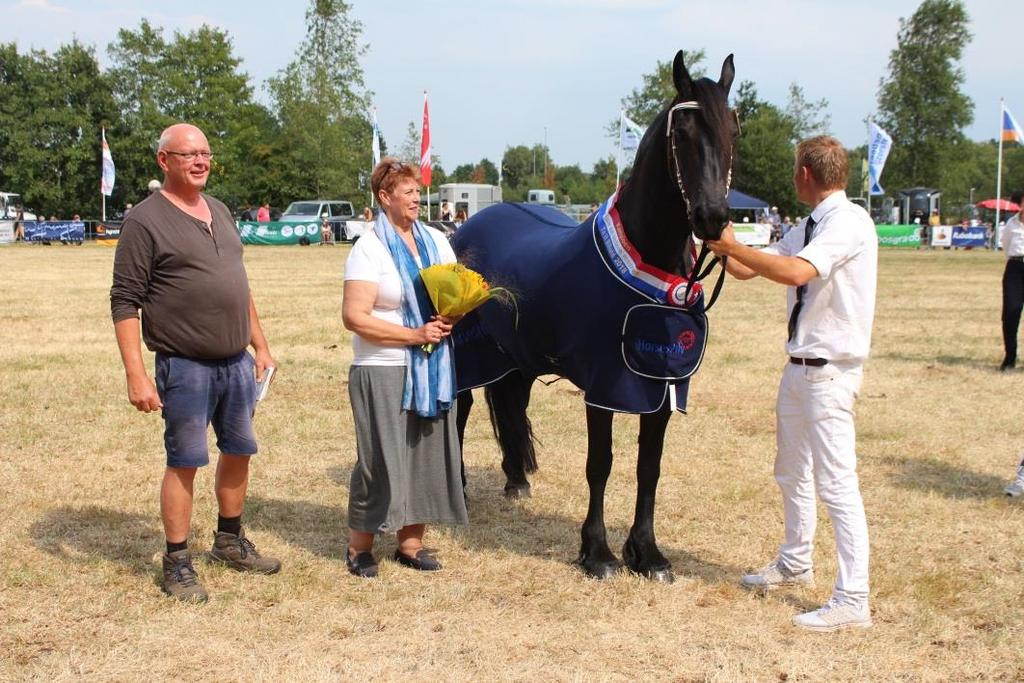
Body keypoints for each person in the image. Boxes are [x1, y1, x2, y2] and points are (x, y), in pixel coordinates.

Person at [707, 136, 877, 632]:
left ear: (805, 173)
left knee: (837, 483)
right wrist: (718, 242)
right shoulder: (808, 225)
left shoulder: (848, 223)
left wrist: (735, 246)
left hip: (830, 371)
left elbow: (793, 271)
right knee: (791, 471)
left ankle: (853, 597)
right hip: (800, 367)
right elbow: (745, 270)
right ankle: (795, 559)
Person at [110, 123, 280, 602]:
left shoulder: (220, 211)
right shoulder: (145, 220)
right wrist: (136, 373)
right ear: (165, 161)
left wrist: (260, 346)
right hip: (185, 366)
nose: (201, 161)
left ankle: (228, 540)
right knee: (185, 460)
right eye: (189, 154)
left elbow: (237, 284)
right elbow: (124, 300)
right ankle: (178, 561)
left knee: (240, 449)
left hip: (236, 362)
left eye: (206, 153)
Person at [341, 157, 468, 579]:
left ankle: (409, 544)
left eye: (418, 190)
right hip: (383, 366)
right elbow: (355, 317)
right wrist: (416, 335)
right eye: (408, 191)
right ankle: (359, 546)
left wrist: (453, 315)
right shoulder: (369, 248)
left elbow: (455, 293)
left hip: (432, 367)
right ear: (384, 197)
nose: (417, 198)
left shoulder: (437, 240)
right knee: (380, 459)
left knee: (422, 457)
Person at [1000, 192, 1024, 372]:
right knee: (1011, 312)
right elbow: (1006, 247)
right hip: (1015, 268)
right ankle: (1010, 357)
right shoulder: (1011, 224)